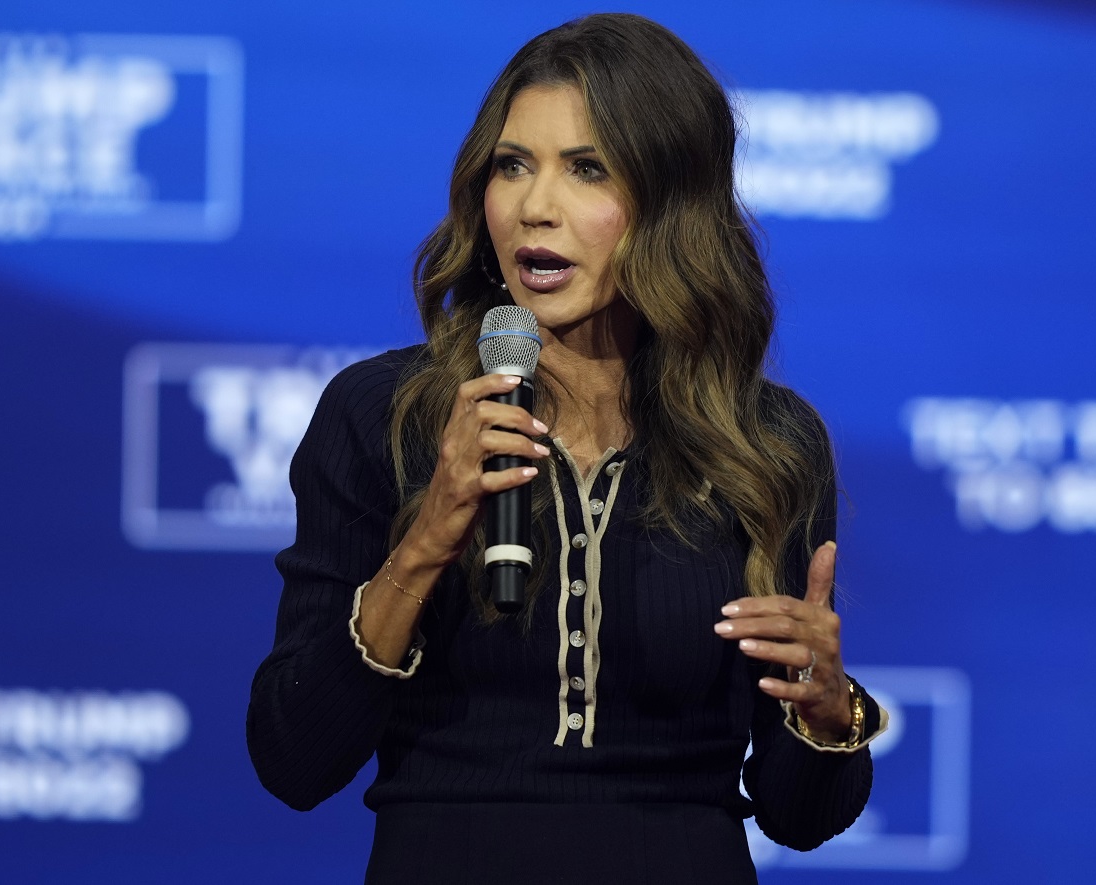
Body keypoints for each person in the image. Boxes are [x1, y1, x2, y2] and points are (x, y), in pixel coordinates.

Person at [247, 13, 887, 884]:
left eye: (587, 169)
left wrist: (825, 713)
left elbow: (799, 817)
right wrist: (428, 538)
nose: (534, 207)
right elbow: (293, 758)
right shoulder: (383, 415)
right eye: (512, 165)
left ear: (670, 202)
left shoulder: (762, 442)